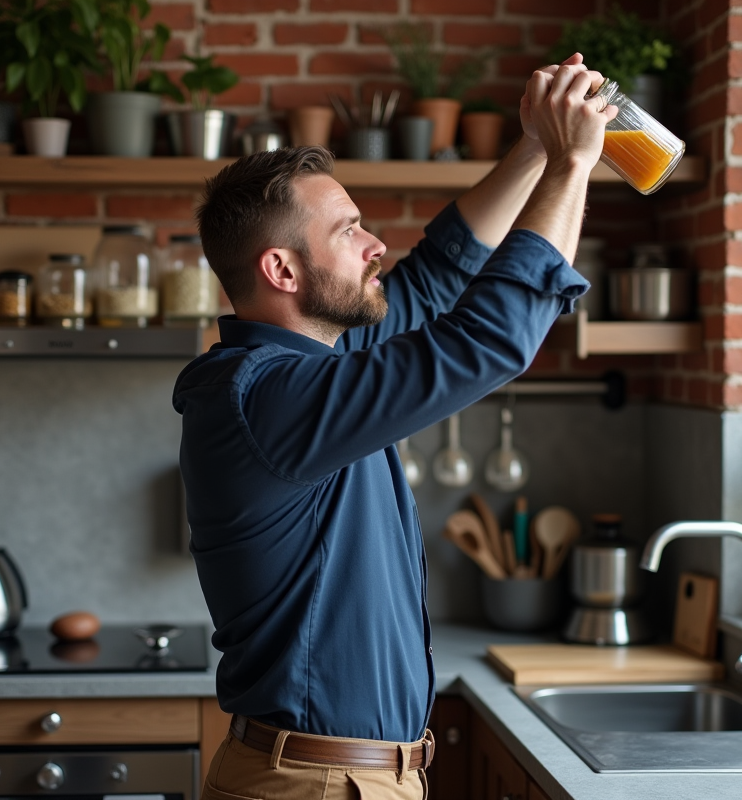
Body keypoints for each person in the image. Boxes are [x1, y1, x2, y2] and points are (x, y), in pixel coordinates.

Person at [174, 54, 616, 799]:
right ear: (283, 271)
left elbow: (438, 277)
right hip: (316, 784)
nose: (376, 244)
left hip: (339, 776)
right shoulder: (267, 397)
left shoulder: (314, 366)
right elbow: (485, 344)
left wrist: (535, 148)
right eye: (349, 231)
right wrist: (573, 167)